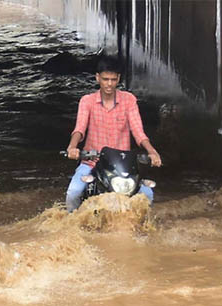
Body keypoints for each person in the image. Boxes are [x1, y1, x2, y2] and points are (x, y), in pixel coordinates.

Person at [64, 57, 162, 212]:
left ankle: (143, 230)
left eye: (113, 79)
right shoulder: (87, 101)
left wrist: (152, 151)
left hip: (122, 165)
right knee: (73, 193)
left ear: (118, 79)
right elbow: (79, 129)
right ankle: (71, 225)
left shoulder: (129, 100)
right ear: (97, 78)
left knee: (147, 195)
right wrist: (72, 147)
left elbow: (138, 132)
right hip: (92, 161)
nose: (109, 84)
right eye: (105, 79)